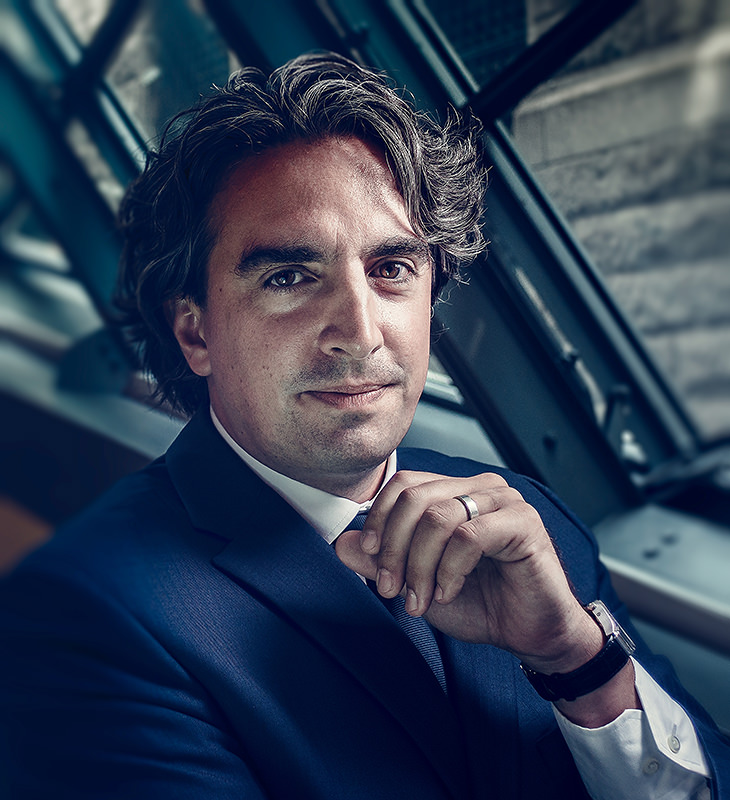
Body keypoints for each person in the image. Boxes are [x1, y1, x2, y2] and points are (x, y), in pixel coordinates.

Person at [0, 52, 727, 799]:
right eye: (288, 276)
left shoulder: (531, 523)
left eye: (392, 268)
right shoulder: (81, 618)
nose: (360, 330)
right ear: (196, 335)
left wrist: (576, 659)